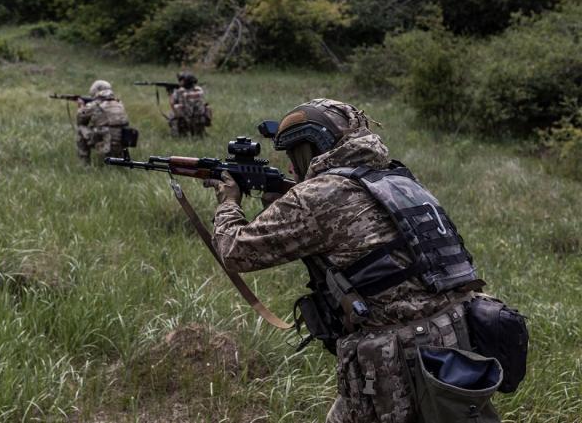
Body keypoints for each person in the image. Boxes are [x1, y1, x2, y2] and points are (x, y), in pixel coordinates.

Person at [203, 99, 499, 423]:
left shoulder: (318, 195)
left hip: (397, 357)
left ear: (313, 148)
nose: (290, 168)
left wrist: (228, 203)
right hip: (453, 337)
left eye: (293, 156)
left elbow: (235, 251)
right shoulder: (397, 178)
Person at [76, 80, 130, 164]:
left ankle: (84, 164)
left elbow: (81, 121)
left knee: (80, 130)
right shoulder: (119, 103)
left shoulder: (94, 105)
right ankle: (119, 158)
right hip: (121, 143)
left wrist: (81, 107)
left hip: (106, 143)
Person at [168, 72, 211, 137]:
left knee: (173, 112)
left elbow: (172, 103)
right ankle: (200, 132)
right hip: (199, 117)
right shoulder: (198, 90)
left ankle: (178, 133)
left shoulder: (179, 91)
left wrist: (170, 93)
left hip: (184, 118)